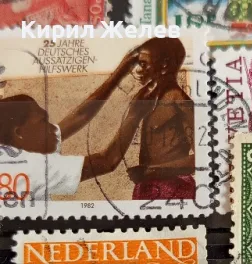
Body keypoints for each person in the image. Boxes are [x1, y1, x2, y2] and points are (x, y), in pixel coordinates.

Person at [0, 48, 149, 203]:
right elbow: (107, 161)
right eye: (42, 122)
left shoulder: (12, 153)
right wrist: (135, 114)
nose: (52, 128)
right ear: (19, 133)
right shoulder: (35, 168)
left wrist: (119, 73)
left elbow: (79, 116)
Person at [126, 37, 196, 203]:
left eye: (144, 64)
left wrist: (153, 171)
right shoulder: (148, 101)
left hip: (174, 189)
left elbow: (202, 158)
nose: (138, 70)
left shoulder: (180, 101)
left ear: (164, 65)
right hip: (146, 188)